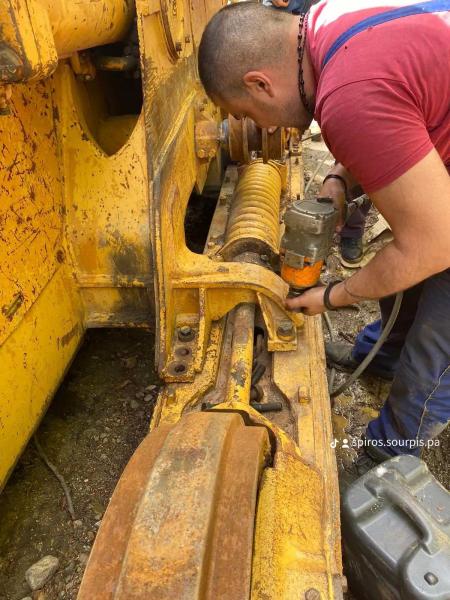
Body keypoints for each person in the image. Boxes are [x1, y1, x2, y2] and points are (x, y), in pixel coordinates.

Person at [198, 0, 450, 472]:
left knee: (436, 346)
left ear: (260, 83)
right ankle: (380, 357)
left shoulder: (349, 94)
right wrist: (338, 178)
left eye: (249, 113)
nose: (265, 128)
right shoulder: (328, 23)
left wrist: (335, 295)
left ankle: (388, 456)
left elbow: (435, 244)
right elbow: (394, 105)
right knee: (406, 282)